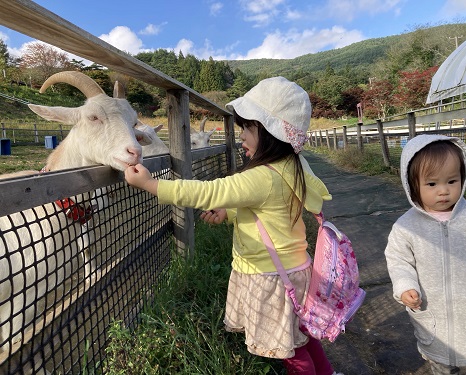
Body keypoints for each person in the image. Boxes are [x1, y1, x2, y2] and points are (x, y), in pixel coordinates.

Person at [124, 77, 342, 375]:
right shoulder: (294, 165)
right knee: (301, 337)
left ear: (268, 132)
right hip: (296, 269)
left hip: (270, 278)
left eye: (247, 128)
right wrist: (230, 213)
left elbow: (206, 192)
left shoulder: (260, 177)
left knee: (291, 352)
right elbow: (271, 211)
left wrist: (150, 184)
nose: (241, 136)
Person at [385, 134, 466, 374]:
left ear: (463, 178)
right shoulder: (406, 227)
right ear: (412, 184)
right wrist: (405, 286)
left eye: (452, 181)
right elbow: (399, 261)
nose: (443, 191)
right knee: (441, 367)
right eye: (432, 184)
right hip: (435, 323)